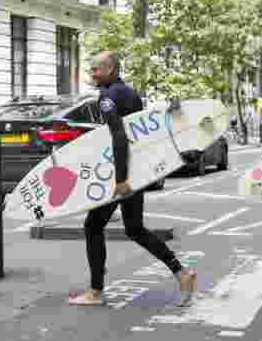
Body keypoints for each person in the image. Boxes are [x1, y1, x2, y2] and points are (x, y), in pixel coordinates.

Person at [68, 51, 197, 307]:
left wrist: (121, 179)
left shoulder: (107, 97)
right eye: (91, 69)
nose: (93, 73)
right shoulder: (130, 92)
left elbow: (119, 136)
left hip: (124, 173)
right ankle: (181, 273)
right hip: (138, 170)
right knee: (134, 228)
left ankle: (96, 291)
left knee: (93, 226)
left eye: (98, 69)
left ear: (112, 69)